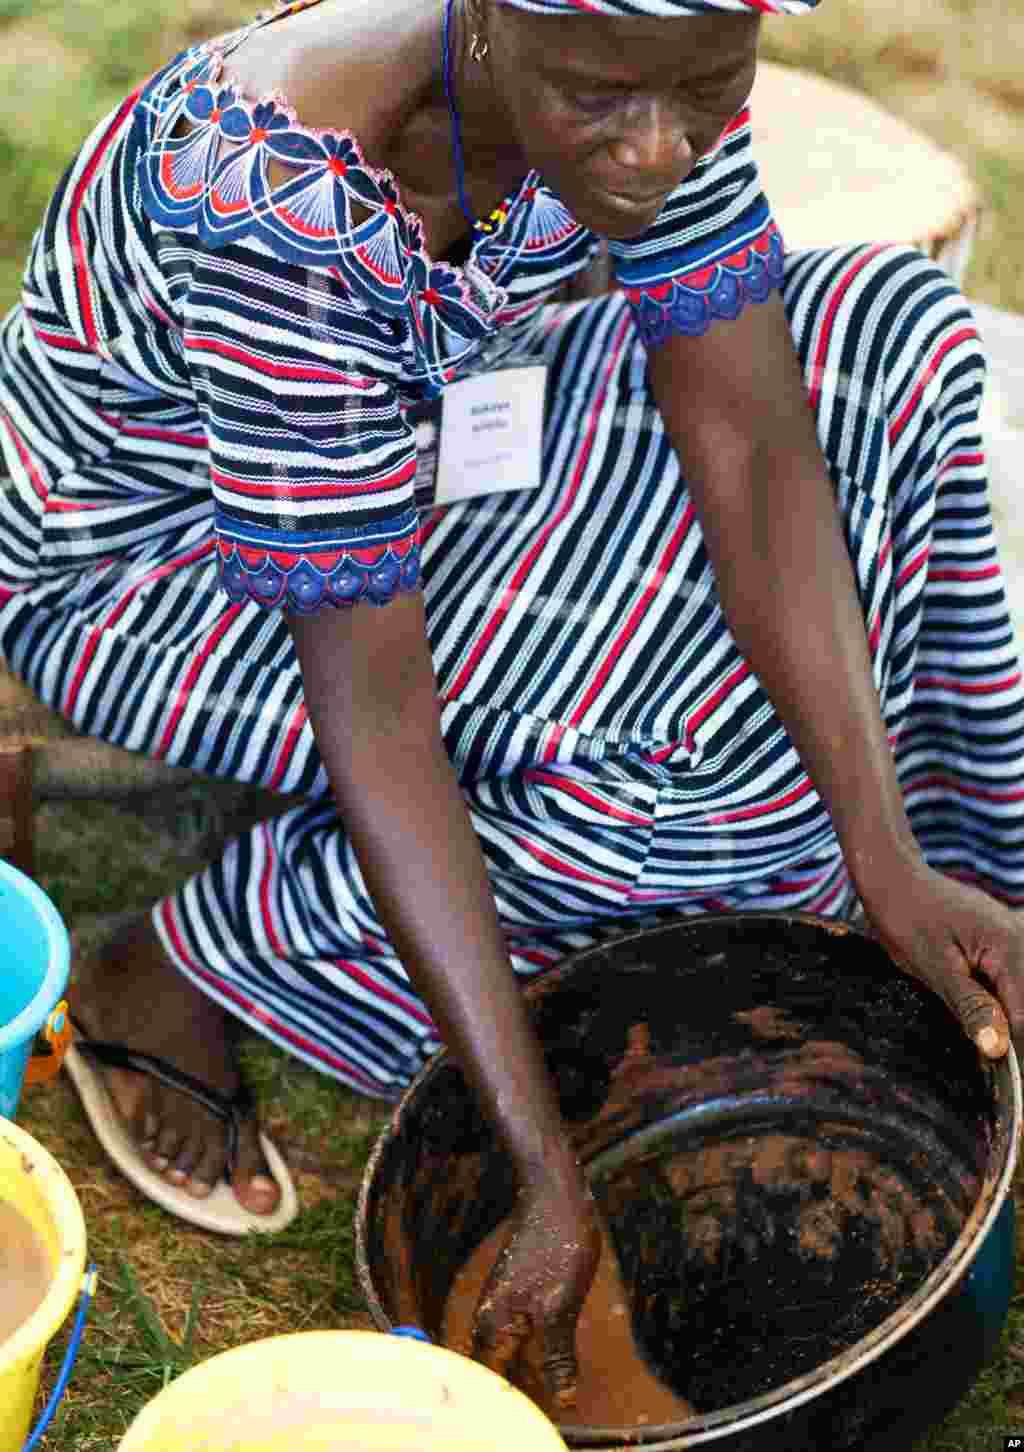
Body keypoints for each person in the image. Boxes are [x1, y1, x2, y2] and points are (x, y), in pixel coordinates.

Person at [2, 0, 1023, 1407]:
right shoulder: (282, 198)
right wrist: (540, 1165)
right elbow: (378, 712)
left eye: (706, 86)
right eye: (607, 97)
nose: (659, 145)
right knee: (693, 793)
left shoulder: (638, 61)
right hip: (160, 574)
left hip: (429, 443)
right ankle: (197, 958)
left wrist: (887, 858)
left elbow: (746, 430)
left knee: (889, 341)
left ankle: (952, 883)